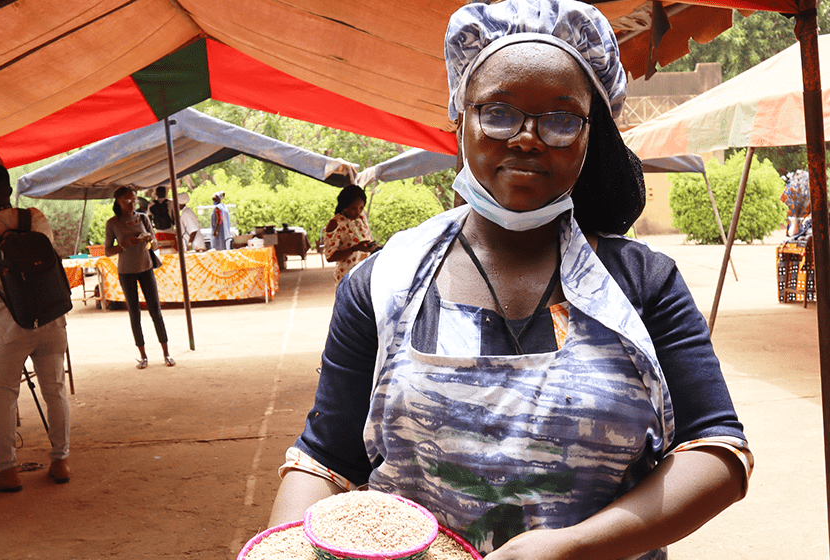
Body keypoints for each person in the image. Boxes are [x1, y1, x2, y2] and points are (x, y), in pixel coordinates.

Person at [266, 2, 752, 559]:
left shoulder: (642, 284)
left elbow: (716, 451)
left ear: (591, 133)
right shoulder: (386, 286)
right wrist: (279, 550)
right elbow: (326, 461)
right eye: (498, 111)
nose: (527, 138)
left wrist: (574, 546)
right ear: (459, 116)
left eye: (562, 119)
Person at [0, 163, 71, 492]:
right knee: (55, 390)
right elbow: (45, 261)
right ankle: (60, 461)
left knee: (3, 398)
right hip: (50, 317)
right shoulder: (34, 218)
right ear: (8, 190)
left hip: (9, 327)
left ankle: (6, 469)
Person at [105, 186, 176, 369]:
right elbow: (107, 251)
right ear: (118, 202)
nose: (131, 204)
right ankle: (143, 356)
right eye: (127, 201)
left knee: (155, 311)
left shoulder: (143, 218)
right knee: (134, 313)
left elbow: (155, 244)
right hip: (126, 271)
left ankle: (166, 353)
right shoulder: (113, 223)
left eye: (134, 200)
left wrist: (147, 239)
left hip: (146, 268)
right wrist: (124, 244)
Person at [323, 184, 379, 286]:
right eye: (354, 208)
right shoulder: (336, 223)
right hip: (347, 278)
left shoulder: (361, 219)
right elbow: (329, 257)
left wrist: (372, 247)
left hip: (364, 276)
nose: (358, 212)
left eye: (361, 208)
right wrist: (354, 248)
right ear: (344, 205)